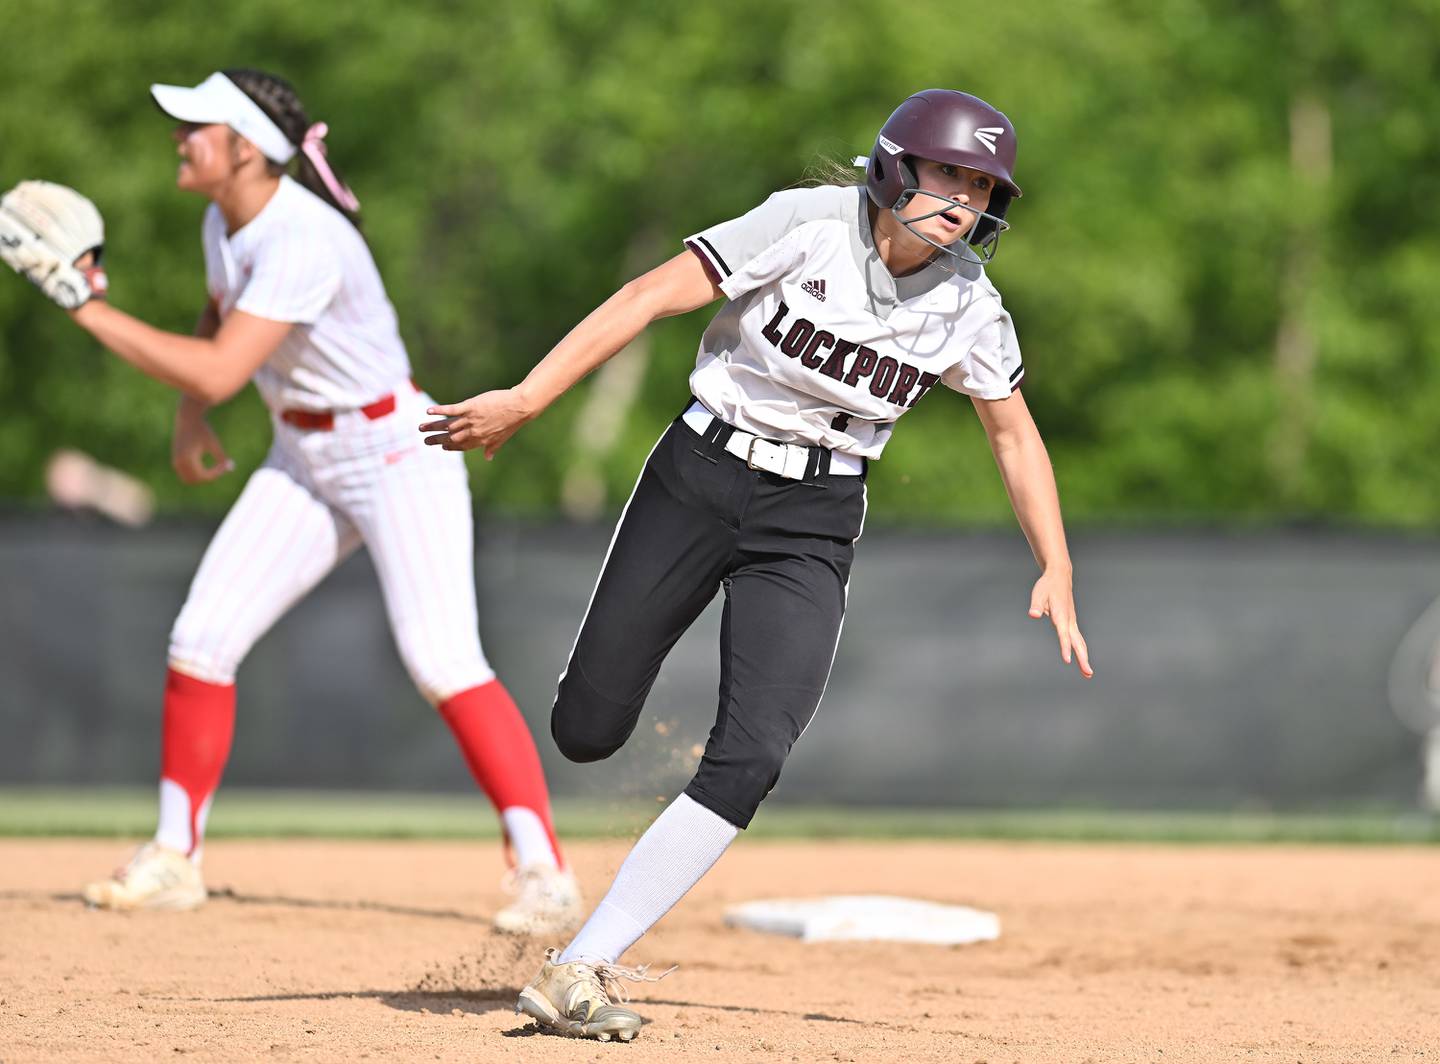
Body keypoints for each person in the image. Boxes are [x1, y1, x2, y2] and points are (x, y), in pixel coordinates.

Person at [421, 88, 1093, 1040]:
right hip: (699, 475)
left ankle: (579, 966)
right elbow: (651, 294)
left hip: (815, 516)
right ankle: (598, 744)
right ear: (896, 167)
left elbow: (1013, 433)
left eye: (983, 188)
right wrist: (529, 399)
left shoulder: (968, 306)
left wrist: (1055, 564)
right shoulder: (810, 224)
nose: (963, 202)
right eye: (949, 174)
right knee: (586, 727)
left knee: (755, 752)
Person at [1, 69, 581, 932]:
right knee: (202, 637)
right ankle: (174, 857)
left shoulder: (300, 237)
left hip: (396, 449)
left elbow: (223, 367)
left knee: (442, 660)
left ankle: (544, 873)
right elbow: (214, 316)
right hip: (305, 452)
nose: (180, 137)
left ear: (246, 149)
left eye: (196, 126)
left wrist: (88, 310)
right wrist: (191, 419)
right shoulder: (223, 218)